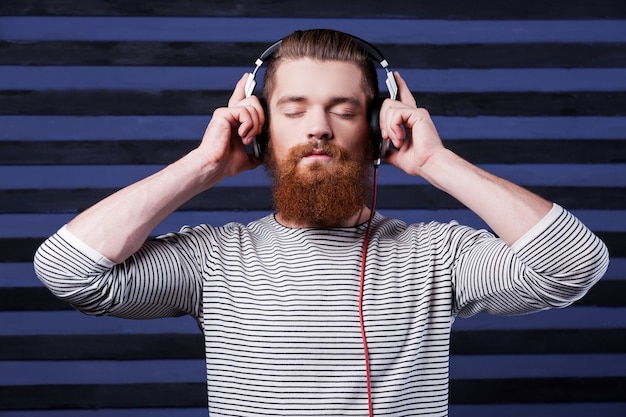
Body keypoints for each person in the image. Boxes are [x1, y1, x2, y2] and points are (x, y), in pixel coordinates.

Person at [34, 29, 609, 417]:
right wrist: (204, 164)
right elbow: (70, 271)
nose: (319, 129)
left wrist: (436, 162)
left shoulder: (438, 255)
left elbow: (572, 265)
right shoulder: (213, 258)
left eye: (344, 110)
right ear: (258, 128)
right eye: (294, 109)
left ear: (380, 129)